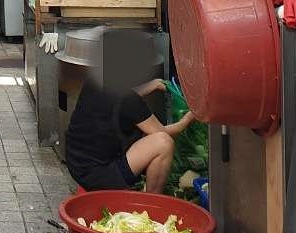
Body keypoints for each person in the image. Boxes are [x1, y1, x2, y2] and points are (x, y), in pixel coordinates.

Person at [61, 27, 196, 193]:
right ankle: (152, 200)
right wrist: (189, 118)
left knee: (145, 134)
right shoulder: (129, 100)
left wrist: (151, 85)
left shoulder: (96, 79)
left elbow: (117, 100)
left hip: (76, 162)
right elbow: (161, 131)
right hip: (99, 174)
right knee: (163, 142)